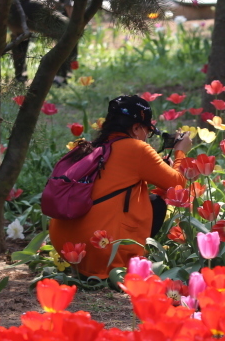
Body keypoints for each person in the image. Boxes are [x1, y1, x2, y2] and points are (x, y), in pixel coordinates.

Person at [48, 95, 193, 279]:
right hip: (100, 249)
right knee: (156, 204)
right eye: (147, 132)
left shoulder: (91, 147)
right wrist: (181, 151)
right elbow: (178, 184)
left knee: (148, 199)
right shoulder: (137, 148)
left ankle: (91, 265)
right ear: (135, 128)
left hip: (66, 245)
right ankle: (122, 264)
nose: (147, 138)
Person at [8, 0, 78, 84]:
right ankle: (61, 77)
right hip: (35, 5)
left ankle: (20, 77)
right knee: (71, 31)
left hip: (12, 9)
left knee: (20, 39)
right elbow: (70, 11)